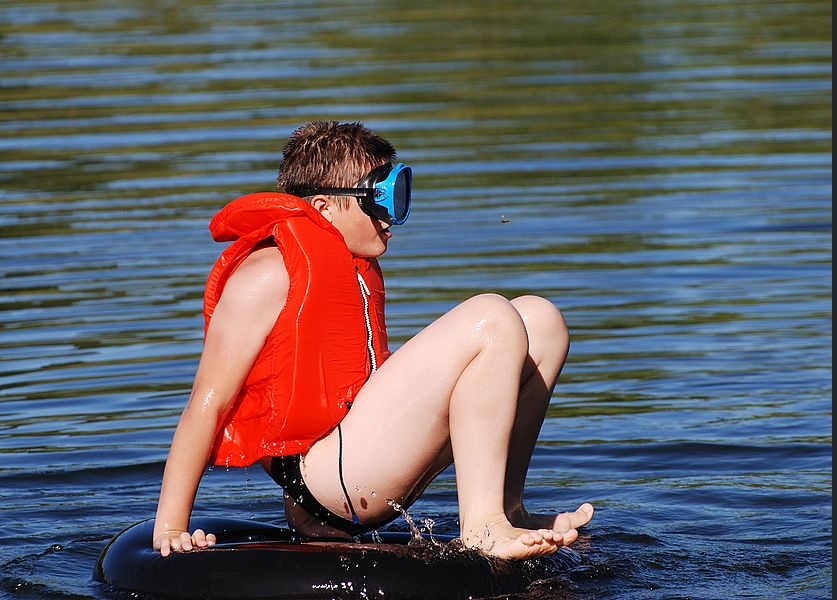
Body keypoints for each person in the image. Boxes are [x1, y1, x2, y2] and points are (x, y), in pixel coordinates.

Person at [152, 121, 594, 560]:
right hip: (325, 484)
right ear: (323, 208)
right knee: (491, 315)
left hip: (360, 458)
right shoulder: (267, 273)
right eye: (377, 199)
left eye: (396, 197)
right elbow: (206, 404)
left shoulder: (350, 266)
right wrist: (172, 527)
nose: (390, 217)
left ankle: (506, 509)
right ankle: (482, 528)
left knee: (541, 320)